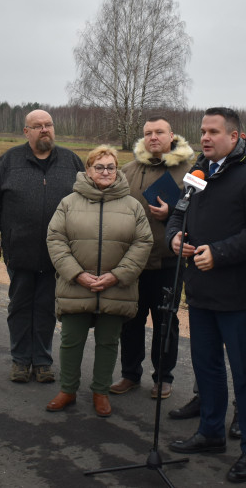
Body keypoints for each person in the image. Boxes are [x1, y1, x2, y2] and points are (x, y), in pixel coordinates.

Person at [166, 107, 246, 484]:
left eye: (214, 132)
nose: (205, 138)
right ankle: (210, 433)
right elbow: (180, 213)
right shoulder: (199, 171)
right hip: (199, 290)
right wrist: (175, 237)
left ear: (235, 137)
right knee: (206, 366)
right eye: (202, 131)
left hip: (238, 295)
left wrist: (220, 252)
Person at [44, 145, 153, 417]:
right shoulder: (69, 203)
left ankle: (100, 391)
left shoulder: (132, 206)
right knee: (71, 340)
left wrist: (117, 275)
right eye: (99, 167)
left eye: (111, 167)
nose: (105, 172)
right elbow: (55, 240)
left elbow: (143, 242)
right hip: (75, 286)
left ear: (117, 170)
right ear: (88, 170)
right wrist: (77, 274)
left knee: (108, 342)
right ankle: (67, 390)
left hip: (116, 288)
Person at [0, 109, 84, 383]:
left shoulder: (71, 161)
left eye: (48, 125)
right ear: (26, 132)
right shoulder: (10, 161)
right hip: (20, 251)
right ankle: (20, 361)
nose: (44, 130)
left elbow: (88, 201)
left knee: (47, 308)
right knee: (20, 306)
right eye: (37, 126)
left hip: (59, 254)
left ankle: (42, 362)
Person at [109, 117, 194, 400]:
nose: (153, 137)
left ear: (172, 135)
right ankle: (130, 374)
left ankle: (163, 378)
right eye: (148, 133)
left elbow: (202, 214)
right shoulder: (128, 170)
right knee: (130, 320)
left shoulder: (190, 171)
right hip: (132, 261)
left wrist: (172, 214)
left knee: (165, 321)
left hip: (169, 261)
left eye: (159, 132)